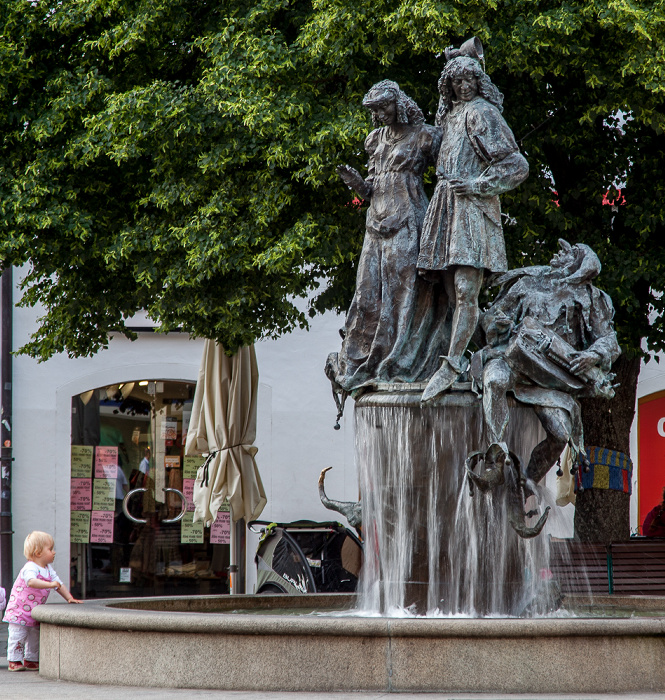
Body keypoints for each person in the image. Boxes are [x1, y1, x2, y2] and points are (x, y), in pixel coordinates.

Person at [327, 80, 449, 394]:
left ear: (399, 103)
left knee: (403, 293)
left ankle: (400, 362)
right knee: (368, 294)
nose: (380, 114)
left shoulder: (424, 136)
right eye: (374, 110)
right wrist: (357, 184)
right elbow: (369, 189)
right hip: (375, 223)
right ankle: (361, 360)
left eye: (384, 106)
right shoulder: (374, 141)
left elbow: (449, 175)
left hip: (409, 219)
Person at [419, 55, 529, 402]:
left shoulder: (482, 112)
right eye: (457, 82)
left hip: (470, 206)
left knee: (466, 290)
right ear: (448, 86)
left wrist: (479, 184)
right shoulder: (450, 115)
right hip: (446, 205)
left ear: (478, 82)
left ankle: (450, 366)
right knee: (452, 294)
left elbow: (516, 165)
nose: (464, 87)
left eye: (469, 80)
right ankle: (477, 356)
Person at [477, 239, 620, 483]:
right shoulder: (527, 283)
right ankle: (495, 458)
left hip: (552, 377)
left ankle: (526, 483)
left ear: (580, 265)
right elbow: (490, 319)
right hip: (512, 360)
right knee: (494, 380)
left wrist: (593, 355)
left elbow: (609, 340)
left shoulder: (592, 298)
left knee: (561, 434)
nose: (560, 252)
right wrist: (496, 324)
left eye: (570, 253)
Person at [3, 531, 81, 671]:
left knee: (34, 636)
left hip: (34, 611)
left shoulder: (48, 569)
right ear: (38, 553)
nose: (54, 552)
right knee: (18, 636)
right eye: (50, 549)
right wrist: (50, 585)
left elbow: (58, 583)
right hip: (19, 611)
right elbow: (31, 582)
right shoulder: (30, 567)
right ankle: (14, 660)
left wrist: (69, 598)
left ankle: (31, 658)